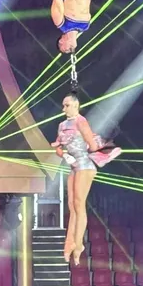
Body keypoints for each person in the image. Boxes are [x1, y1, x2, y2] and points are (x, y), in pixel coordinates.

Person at [52, 92, 121, 265]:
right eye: (63, 105)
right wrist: (65, 155)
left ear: (76, 105)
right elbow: (57, 146)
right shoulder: (62, 125)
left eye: (67, 105)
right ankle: (70, 243)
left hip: (84, 164)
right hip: (73, 166)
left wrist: (98, 147)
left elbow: (93, 145)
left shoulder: (81, 121)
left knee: (78, 203)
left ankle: (78, 245)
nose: (64, 108)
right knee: (71, 205)